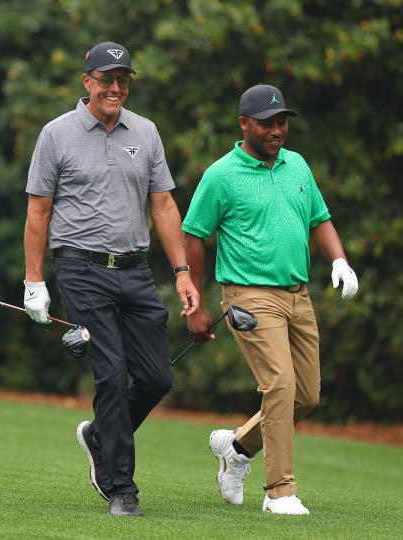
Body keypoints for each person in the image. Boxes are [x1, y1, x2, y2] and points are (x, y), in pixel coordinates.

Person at [23, 41, 199, 517]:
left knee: (158, 377)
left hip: (136, 269)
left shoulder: (146, 131)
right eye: (106, 79)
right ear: (88, 82)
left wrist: (182, 271)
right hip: (80, 269)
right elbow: (39, 210)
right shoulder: (56, 134)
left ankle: (100, 435)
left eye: (123, 80)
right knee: (110, 374)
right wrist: (34, 280)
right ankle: (122, 487)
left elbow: (163, 205)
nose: (115, 88)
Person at [182, 84, 358, 515]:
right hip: (248, 296)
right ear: (244, 124)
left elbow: (321, 219)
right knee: (279, 385)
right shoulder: (221, 174)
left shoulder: (297, 165)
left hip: (298, 295)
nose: (277, 130)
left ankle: (237, 448)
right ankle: (280, 491)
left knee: (307, 395)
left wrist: (340, 261)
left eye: (282, 122)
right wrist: (197, 305)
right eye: (267, 123)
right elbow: (193, 237)